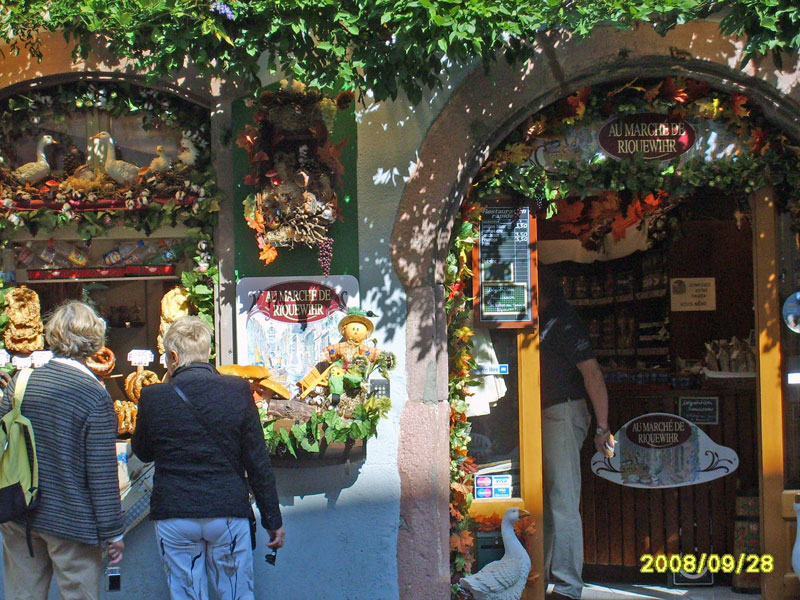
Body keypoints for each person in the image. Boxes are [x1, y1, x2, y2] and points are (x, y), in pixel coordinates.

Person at [132, 316, 284, 600]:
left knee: (187, 595)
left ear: (173, 356)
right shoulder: (237, 390)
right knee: (237, 593)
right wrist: (272, 519)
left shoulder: (153, 396)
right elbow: (257, 460)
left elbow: (142, 451)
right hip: (227, 509)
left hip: (175, 512)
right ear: (207, 352)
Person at [0, 300, 124, 600]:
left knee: (22, 595)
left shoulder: (20, 382)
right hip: (71, 519)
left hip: (19, 513)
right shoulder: (94, 396)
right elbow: (101, 472)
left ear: (52, 335)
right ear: (96, 341)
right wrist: (113, 532)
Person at [538, 267, 612, 600]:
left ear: (543, 292)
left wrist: (603, 427)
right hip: (549, 414)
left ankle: (567, 586)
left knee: (563, 499)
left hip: (563, 412)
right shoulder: (547, 321)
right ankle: (543, 576)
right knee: (551, 497)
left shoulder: (565, 323)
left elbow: (592, 374)